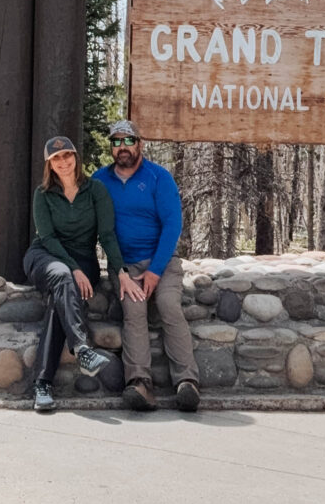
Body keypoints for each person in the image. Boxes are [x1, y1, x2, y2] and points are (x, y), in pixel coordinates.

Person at [23, 135, 145, 413]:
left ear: (76, 158)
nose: (63, 162)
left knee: (59, 303)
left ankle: (42, 385)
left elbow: (107, 235)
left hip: (83, 262)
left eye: (67, 155)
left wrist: (122, 272)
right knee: (63, 276)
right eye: (56, 158)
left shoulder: (96, 190)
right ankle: (81, 349)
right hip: (45, 257)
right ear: (50, 165)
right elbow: (48, 237)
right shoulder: (42, 194)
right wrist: (74, 269)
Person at [94, 120, 200, 413]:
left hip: (161, 261)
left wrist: (154, 271)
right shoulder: (100, 180)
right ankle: (140, 383)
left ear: (140, 144)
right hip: (124, 266)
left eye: (128, 141)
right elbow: (103, 231)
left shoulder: (158, 177)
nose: (122, 148)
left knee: (168, 305)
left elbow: (172, 225)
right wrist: (120, 272)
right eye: (116, 142)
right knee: (133, 311)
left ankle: (187, 382)